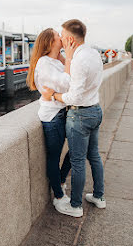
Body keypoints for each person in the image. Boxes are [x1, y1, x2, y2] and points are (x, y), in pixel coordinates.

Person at [42, 19, 105, 218]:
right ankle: (99, 197)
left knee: (77, 162)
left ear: (69, 39)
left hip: (81, 115)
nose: (60, 37)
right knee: (94, 156)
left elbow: (74, 96)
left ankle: (76, 206)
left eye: (61, 34)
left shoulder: (77, 60)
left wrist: (54, 96)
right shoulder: (93, 53)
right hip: (95, 109)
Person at [26, 28, 72, 211]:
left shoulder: (55, 60)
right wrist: (67, 56)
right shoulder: (44, 64)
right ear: (50, 42)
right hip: (52, 116)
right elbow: (68, 84)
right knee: (54, 157)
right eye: (57, 35)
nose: (61, 37)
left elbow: (73, 79)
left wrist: (63, 56)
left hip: (63, 111)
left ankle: (60, 181)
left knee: (77, 149)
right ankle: (58, 197)